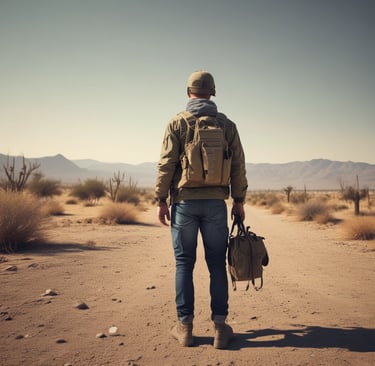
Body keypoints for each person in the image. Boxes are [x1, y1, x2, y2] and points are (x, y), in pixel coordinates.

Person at [154, 70, 248, 349]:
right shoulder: (227, 125)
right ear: (213, 92)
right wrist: (239, 200)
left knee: (184, 264)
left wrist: (160, 199)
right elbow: (239, 166)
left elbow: (166, 164)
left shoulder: (177, 123)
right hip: (216, 205)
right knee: (217, 264)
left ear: (188, 93)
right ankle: (220, 328)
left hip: (183, 203)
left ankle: (185, 328)